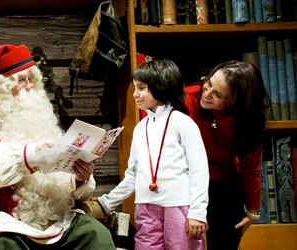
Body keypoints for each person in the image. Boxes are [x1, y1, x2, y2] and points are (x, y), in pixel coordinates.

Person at [0, 44, 114, 249]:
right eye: (21, 80)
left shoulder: (37, 116)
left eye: (31, 80)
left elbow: (54, 175)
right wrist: (30, 155)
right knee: (7, 246)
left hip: (51, 218)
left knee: (95, 234)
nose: (29, 86)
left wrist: (77, 180)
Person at [93, 59, 209, 250]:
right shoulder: (140, 128)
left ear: (161, 87)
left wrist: (197, 213)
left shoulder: (183, 123)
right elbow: (133, 175)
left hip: (178, 205)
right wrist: (107, 203)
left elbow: (199, 171)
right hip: (145, 206)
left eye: (141, 88)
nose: (135, 94)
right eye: (134, 88)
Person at [184, 60, 269, 249]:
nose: (206, 94)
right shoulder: (186, 99)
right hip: (184, 182)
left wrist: (253, 212)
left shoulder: (247, 120)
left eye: (218, 95)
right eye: (209, 83)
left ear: (236, 102)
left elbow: (251, 167)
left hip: (224, 185)